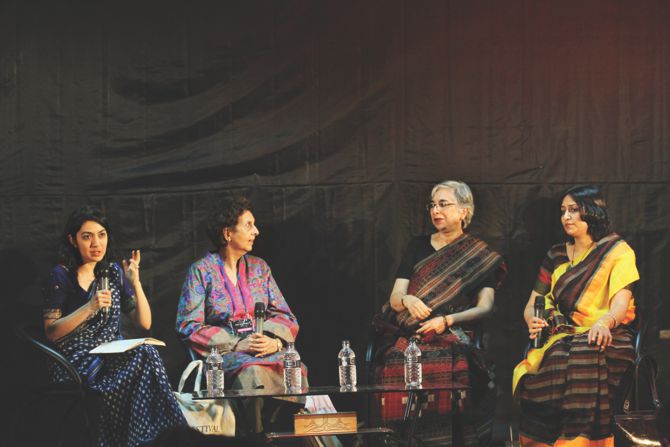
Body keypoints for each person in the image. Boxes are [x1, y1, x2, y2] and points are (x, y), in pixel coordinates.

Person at [373, 180, 506, 446]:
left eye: (444, 204)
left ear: (464, 211)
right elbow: (395, 298)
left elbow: (485, 306)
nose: (436, 210)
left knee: (449, 362)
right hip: (411, 332)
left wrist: (447, 320)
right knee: (398, 361)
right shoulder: (417, 246)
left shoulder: (478, 255)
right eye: (433, 205)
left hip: (452, 332)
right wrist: (409, 300)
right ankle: (402, 441)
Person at [42, 206, 187, 447]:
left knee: (147, 351)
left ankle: (155, 437)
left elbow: (145, 323)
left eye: (101, 235)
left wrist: (135, 283)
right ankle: (148, 438)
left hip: (109, 354)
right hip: (74, 360)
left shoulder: (112, 272)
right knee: (143, 361)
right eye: (86, 237)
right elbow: (51, 332)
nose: (96, 243)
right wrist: (90, 307)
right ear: (72, 240)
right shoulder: (61, 275)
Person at [513, 185, 639, 446]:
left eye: (573, 210)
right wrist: (531, 319)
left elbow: (620, 305)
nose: (566, 217)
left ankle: (577, 441)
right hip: (560, 334)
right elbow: (532, 303)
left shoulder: (618, 251)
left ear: (592, 213)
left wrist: (604, 322)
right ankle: (540, 440)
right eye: (563, 211)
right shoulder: (556, 255)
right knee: (558, 355)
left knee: (585, 350)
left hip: (608, 333)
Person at [176, 196, 308, 433]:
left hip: (264, 348)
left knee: (294, 366)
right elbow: (188, 326)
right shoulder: (202, 271)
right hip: (225, 356)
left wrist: (274, 341)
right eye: (248, 225)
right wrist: (237, 344)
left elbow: (286, 316)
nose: (256, 231)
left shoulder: (260, 268)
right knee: (253, 371)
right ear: (227, 233)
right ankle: (255, 439)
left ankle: (285, 437)